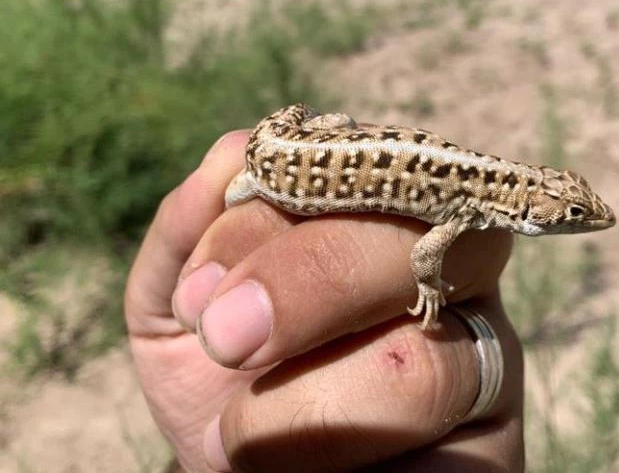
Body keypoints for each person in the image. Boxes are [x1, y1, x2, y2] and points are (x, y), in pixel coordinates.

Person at [125, 130, 525, 471]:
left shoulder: (471, 198)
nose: (585, 223)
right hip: (271, 172)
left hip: (269, 164)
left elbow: (425, 251)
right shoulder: (469, 202)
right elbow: (423, 257)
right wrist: (430, 287)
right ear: (527, 209)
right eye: (573, 213)